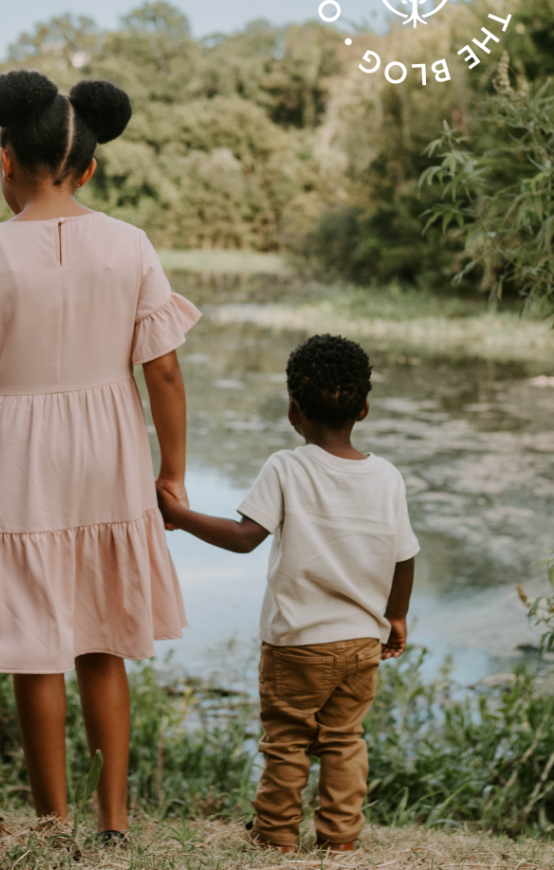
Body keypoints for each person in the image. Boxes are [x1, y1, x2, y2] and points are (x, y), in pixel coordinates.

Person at [0, 70, 200, 840]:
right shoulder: (131, 246)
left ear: (6, 161)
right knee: (104, 639)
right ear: (92, 165)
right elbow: (163, 370)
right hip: (108, 446)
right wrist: (171, 470)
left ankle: (52, 822)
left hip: (10, 452)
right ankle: (113, 821)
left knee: (34, 648)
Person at [158, 334, 417, 854]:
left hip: (297, 642)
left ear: (293, 411)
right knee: (344, 741)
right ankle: (339, 841)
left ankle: (276, 837)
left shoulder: (286, 466)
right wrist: (397, 618)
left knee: (287, 741)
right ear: (364, 408)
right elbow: (405, 556)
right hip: (361, 643)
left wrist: (179, 517)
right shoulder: (386, 476)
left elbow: (243, 538)